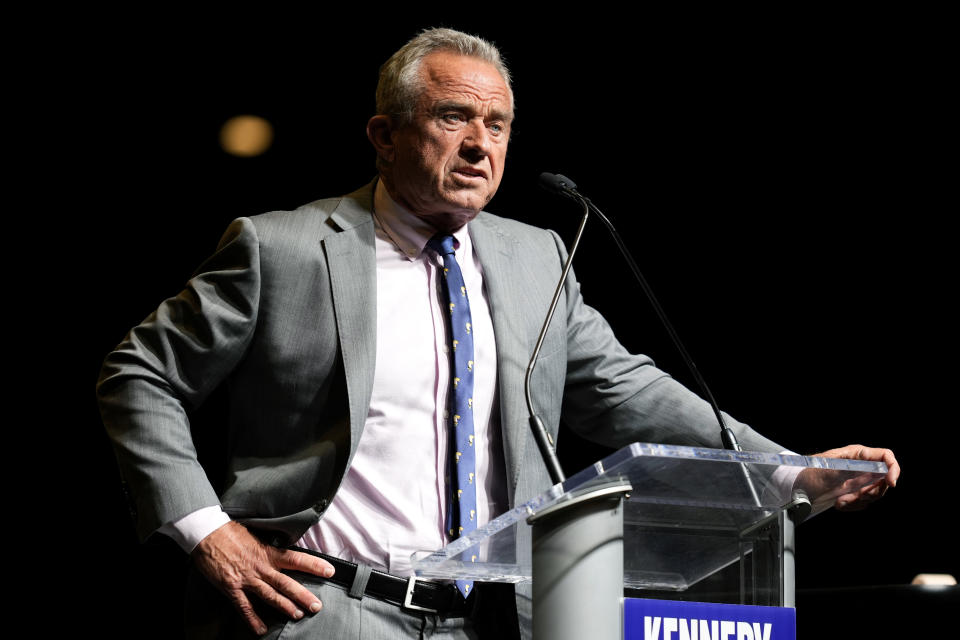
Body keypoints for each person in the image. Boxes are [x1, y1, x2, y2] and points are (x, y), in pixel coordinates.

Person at [97, 28, 900, 640]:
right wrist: (207, 530)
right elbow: (139, 375)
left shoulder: (534, 255)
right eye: (453, 117)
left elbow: (623, 389)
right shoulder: (284, 249)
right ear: (384, 134)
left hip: (501, 620)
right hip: (327, 610)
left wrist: (791, 470)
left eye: (499, 124)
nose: (481, 145)